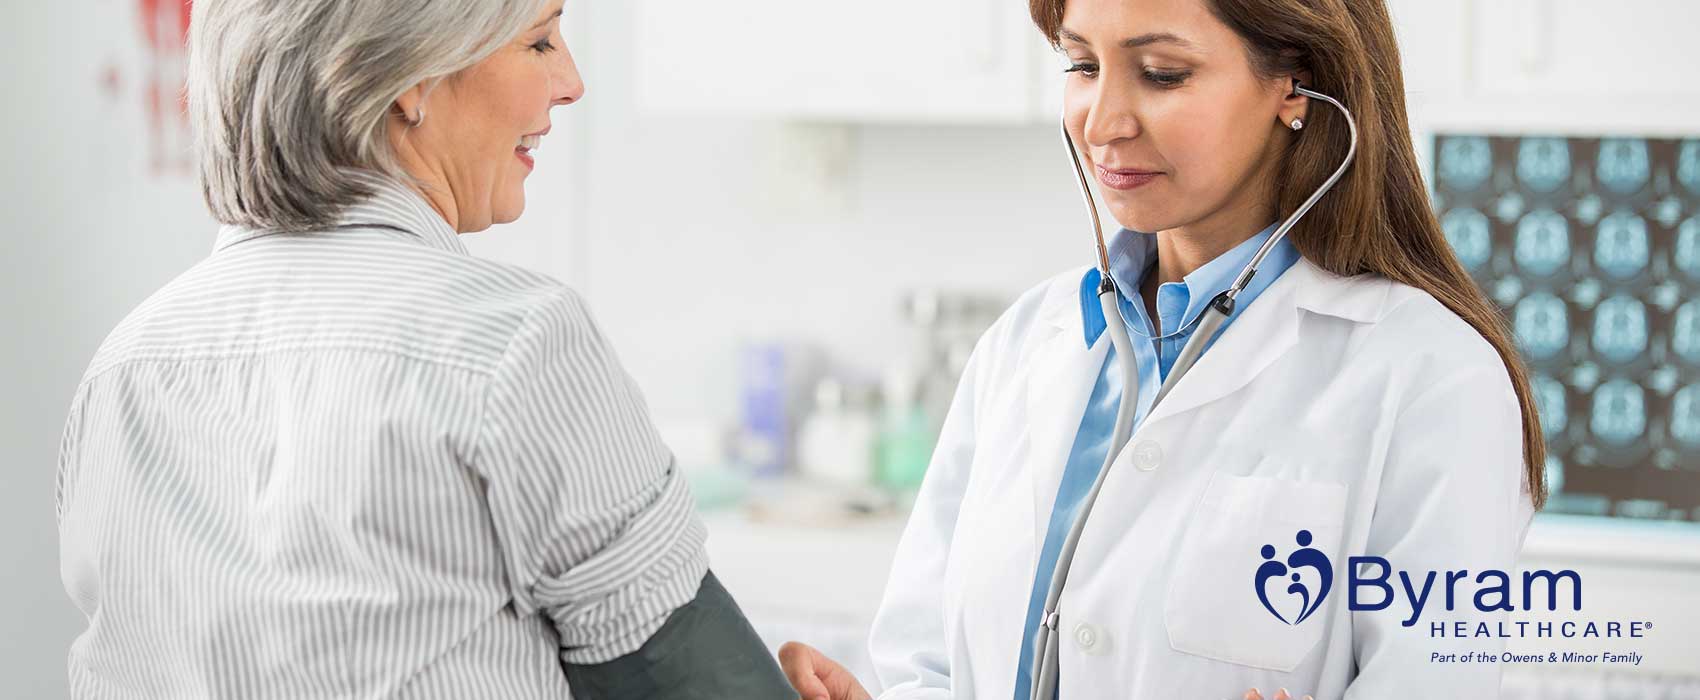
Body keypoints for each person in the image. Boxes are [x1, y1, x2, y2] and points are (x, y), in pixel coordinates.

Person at [781, 0, 1546, 698]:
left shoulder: (1432, 378)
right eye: (1082, 65)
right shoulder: (1024, 343)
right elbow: (931, 660)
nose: (1103, 120)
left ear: (1295, 84)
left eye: (1161, 74)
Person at [54, 1, 790, 697]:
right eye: (538, 39)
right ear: (411, 78)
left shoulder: (121, 370)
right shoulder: (512, 346)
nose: (570, 83)